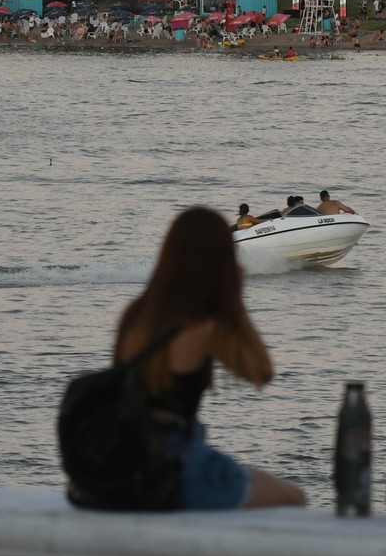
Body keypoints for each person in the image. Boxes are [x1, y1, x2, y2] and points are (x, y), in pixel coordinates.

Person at [110, 207, 305, 509]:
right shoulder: (204, 325)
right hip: (174, 460)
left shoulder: (135, 313)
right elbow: (261, 372)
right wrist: (234, 300)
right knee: (293, 497)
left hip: (125, 455)